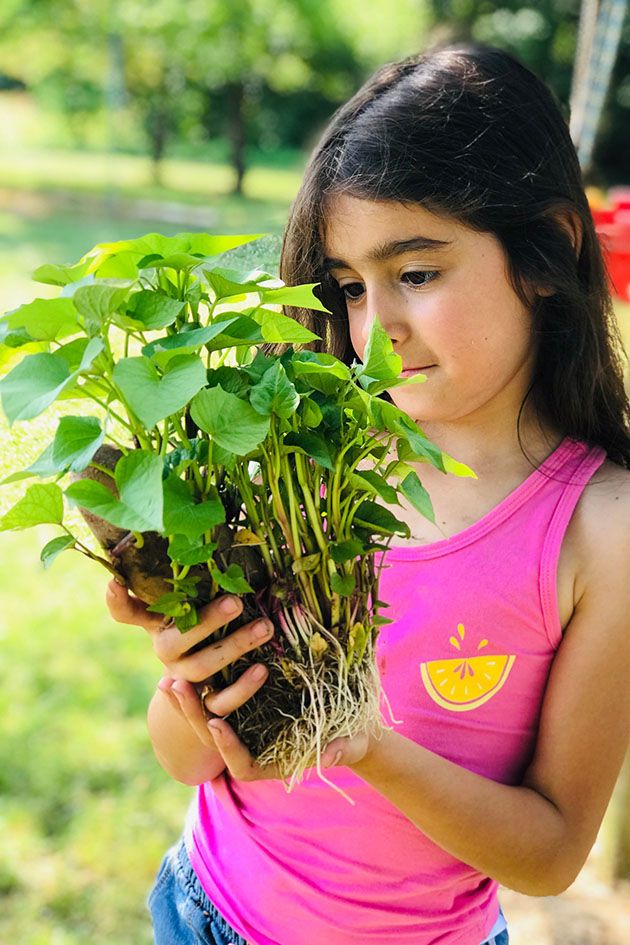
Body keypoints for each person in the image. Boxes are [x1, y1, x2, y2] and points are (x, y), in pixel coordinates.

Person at [105, 42, 630, 945]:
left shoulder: (601, 530)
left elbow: (548, 854)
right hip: (207, 910)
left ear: (550, 246)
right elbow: (188, 759)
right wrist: (188, 666)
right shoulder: (305, 461)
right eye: (349, 285)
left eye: (416, 273)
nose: (373, 325)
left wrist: (366, 745)